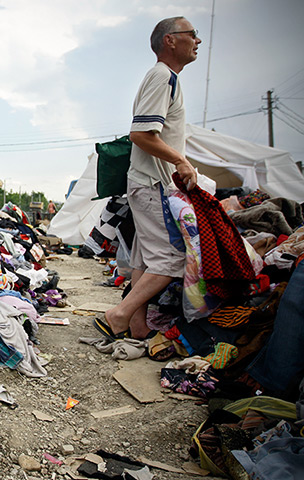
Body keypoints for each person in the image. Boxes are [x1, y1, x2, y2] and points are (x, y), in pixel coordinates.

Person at [95, 17, 201, 340]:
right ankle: (119, 314)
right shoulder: (162, 76)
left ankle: (137, 325)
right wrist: (180, 161)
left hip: (144, 181)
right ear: (170, 40)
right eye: (192, 34)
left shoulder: (163, 78)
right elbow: (141, 134)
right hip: (153, 184)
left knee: (144, 257)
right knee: (172, 260)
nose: (198, 41)